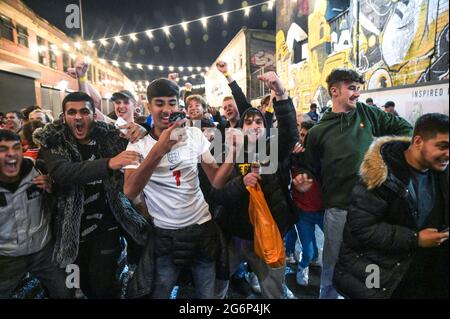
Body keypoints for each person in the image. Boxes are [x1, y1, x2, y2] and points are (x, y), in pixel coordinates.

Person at [295, 68, 414, 299]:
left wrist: (388, 156)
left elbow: (405, 129)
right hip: (339, 209)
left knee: (372, 264)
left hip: (374, 210)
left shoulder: (369, 114)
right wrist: (304, 179)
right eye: (351, 88)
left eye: (358, 88)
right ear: (334, 91)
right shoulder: (318, 131)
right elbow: (310, 168)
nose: (357, 93)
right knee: (333, 265)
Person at [123, 78, 242, 299]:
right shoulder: (138, 144)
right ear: (149, 106)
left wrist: (233, 153)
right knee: (160, 292)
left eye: (172, 103)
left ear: (179, 107)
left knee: (206, 294)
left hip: (201, 228)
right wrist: (158, 150)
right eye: (159, 103)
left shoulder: (194, 135)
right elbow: (129, 191)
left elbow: (216, 180)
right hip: (165, 234)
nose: (166, 109)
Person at [35, 92, 149, 299]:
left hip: (106, 227)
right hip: (69, 232)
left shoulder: (109, 135)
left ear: (93, 115)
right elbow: (63, 173)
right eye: (72, 112)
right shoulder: (54, 140)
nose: (78, 117)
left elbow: (141, 145)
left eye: (84, 111)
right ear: (64, 117)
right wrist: (109, 163)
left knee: (104, 287)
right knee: (76, 287)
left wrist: (141, 131)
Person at [334, 113, 449, 299]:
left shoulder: (441, 173)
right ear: (418, 141)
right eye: (442, 146)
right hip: (384, 277)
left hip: (426, 276)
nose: (448, 154)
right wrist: (415, 239)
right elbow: (362, 228)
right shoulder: (379, 176)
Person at [212, 72, 299, 299]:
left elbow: (290, 134)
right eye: (248, 122)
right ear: (241, 128)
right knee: (216, 286)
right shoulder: (228, 153)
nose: (254, 125)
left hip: (268, 234)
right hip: (236, 236)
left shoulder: (273, 149)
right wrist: (242, 183)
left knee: (272, 290)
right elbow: (217, 193)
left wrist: (280, 94)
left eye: (259, 121)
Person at [0, 130, 73, 299]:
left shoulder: (37, 168)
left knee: (65, 292)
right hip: (6, 257)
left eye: (16, 148)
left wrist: (52, 187)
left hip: (43, 250)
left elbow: (64, 200)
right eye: (3, 149)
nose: (11, 154)